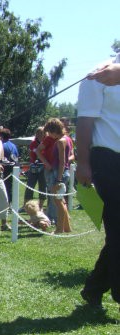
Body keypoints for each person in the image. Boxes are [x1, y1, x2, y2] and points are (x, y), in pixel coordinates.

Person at [76, 53, 120, 310]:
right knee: (118, 230)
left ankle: (93, 288)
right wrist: (83, 163)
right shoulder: (98, 76)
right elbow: (85, 123)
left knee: (117, 235)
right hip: (108, 160)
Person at [24, 126, 47, 210]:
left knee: (42, 186)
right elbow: (31, 154)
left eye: (42, 133)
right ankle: (25, 205)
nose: (40, 135)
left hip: (43, 167)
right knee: (30, 185)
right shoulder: (33, 143)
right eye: (38, 133)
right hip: (34, 166)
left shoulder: (46, 142)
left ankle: (40, 206)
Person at [0, 128, 19, 203]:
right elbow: (16, 157)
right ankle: (10, 202)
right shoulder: (13, 145)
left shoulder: (1, 145)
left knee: (5, 186)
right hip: (13, 167)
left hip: (5, 168)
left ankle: (5, 202)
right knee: (10, 186)